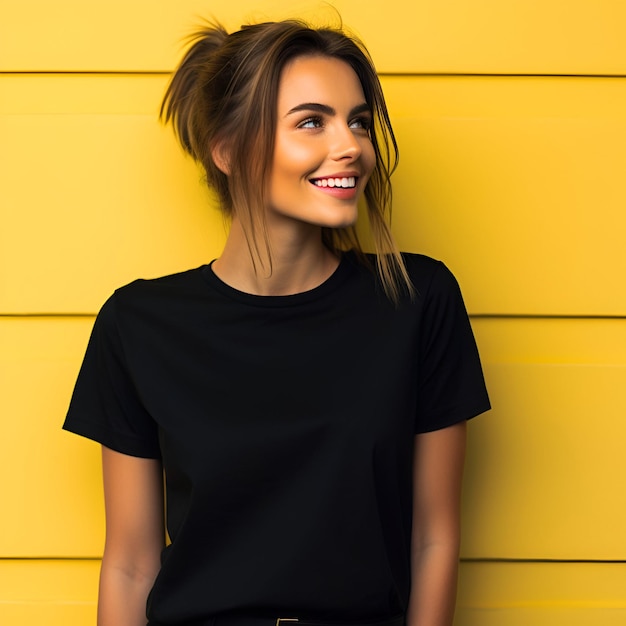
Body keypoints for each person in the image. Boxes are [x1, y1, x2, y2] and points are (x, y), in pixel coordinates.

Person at [63, 18, 490, 626]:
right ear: (229, 149)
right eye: (312, 121)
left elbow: (434, 540)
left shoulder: (418, 300)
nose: (351, 146)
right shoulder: (138, 327)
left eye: (359, 121)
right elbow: (130, 565)